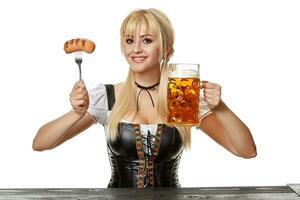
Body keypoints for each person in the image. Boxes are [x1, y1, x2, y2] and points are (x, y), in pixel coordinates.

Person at [32, 8, 256, 188]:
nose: (136, 49)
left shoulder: (181, 97)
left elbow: (246, 151)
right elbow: (41, 143)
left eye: (147, 40)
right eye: (129, 41)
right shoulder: (108, 97)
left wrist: (222, 108)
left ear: (166, 48)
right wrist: (76, 114)